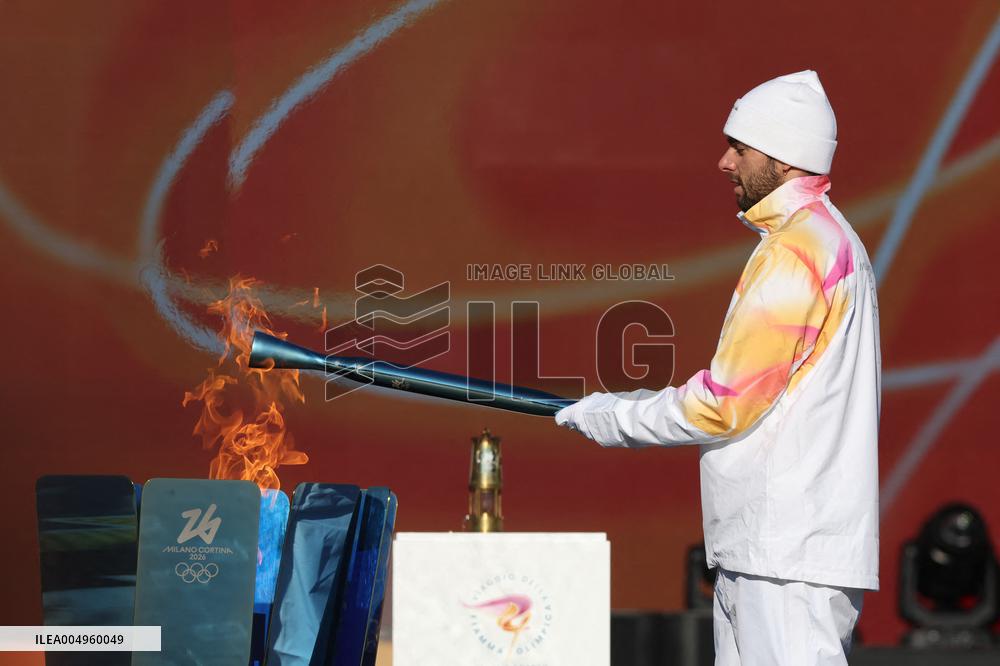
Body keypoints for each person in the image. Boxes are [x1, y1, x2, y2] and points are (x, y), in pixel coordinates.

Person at [555, 70, 880, 665]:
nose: (724, 162)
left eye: (740, 147)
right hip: (777, 550)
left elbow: (725, 403)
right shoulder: (821, 240)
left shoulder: (798, 249)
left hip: (783, 552)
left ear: (783, 158)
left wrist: (613, 417)